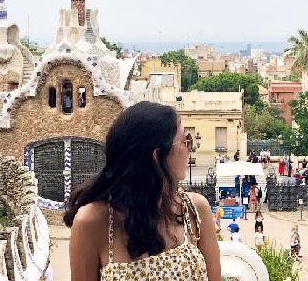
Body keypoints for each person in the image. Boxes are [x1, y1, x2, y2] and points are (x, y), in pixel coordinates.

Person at [64, 101, 221, 281]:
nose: (189, 148)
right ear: (157, 157)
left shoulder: (194, 209)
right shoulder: (93, 222)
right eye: (186, 140)